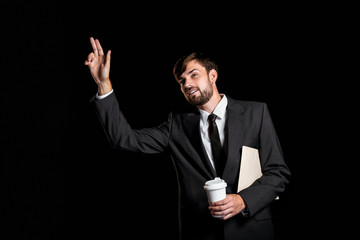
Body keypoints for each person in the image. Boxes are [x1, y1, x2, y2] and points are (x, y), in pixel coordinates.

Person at [85, 37, 291, 240]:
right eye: (182, 81)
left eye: (194, 75)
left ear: (212, 75)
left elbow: (278, 173)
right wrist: (104, 85)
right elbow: (124, 139)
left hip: (251, 231)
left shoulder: (256, 113)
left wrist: (243, 200)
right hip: (201, 232)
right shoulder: (177, 125)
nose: (187, 84)